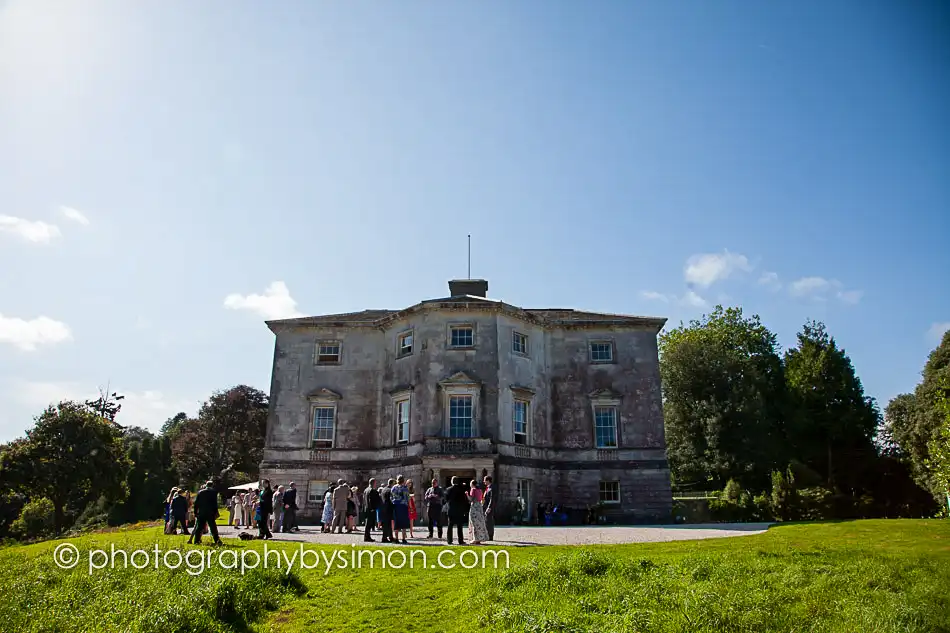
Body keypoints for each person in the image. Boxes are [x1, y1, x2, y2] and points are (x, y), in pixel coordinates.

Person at [192, 480, 223, 545]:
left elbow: (196, 503)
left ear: (206, 485)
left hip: (202, 511)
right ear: (212, 485)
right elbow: (214, 503)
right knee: (213, 527)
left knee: (199, 527)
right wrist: (216, 512)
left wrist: (195, 512)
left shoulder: (200, 492)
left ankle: (196, 540)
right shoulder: (214, 492)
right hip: (210, 512)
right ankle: (216, 540)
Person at [444, 476, 468, 545]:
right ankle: (460, 540)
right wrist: (465, 509)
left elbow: (445, 499)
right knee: (460, 526)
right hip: (460, 510)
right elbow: (464, 500)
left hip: (451, 509)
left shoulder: (448, 489)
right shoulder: (461, 489)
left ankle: (449, 540)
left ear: (452, 482)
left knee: (450, 525)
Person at [390, 475, 410, 544]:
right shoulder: (405, 488)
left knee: (396, 522)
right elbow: (408, 498)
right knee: (403, 523)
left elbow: (391, 497)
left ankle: (396, 539)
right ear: (403, 480)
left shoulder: (393, 488)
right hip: (403, 507)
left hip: (396, 506)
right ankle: (404, 539)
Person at [363, 478, 381, 542]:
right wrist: (373, 508)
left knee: (368, 524)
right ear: (374, 483)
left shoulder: (365, 490)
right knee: (369, 524)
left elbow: (364, 500)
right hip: (371, 509)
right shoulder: (372, 491)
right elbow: (371, 501)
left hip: (366, 508)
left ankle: (367, 536)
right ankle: (367, 537)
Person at [379, 479, 395, 543]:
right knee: (387, 524)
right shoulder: (390, 490)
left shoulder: (383, 489)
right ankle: (384, 538)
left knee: (387, 524)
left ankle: (390, 537)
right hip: (388, 508)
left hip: (383, 508)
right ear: (392, 483)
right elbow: (391, 500)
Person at [482, 475, 496, 541]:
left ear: (488, 480)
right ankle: (487, 535)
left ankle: (490, 536)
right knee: (487, 521)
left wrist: (489, 507)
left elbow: (492, 499)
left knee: (489, 522)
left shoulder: (492, 488)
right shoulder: (488, 488)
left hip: (489, 507)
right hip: (485, 507)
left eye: (485, 480)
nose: (484, 481)